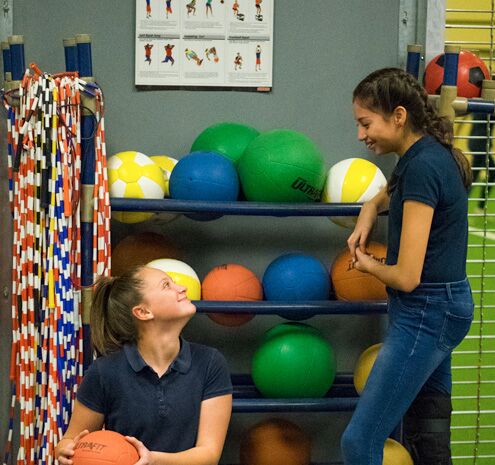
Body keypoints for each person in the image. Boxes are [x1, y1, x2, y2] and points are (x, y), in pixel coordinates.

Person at [341, 67, 474, 465]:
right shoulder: (426, 153)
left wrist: (366, 264)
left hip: (426, 311)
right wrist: (369, 207)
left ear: (398, 116)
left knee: (358, 443)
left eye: (366, 123)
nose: (361, 135)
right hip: (440, 306)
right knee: (427, 435)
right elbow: (392, 191)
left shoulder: (421, 167)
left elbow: (406, 276)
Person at [56, 266, 232, 465]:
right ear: (143, 311)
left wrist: (151, 459)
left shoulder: (210, 362)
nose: (182, 288)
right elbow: (69, 440)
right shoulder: (104, 372)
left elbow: (209, 454)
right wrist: (65, 450)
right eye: (167, 285)